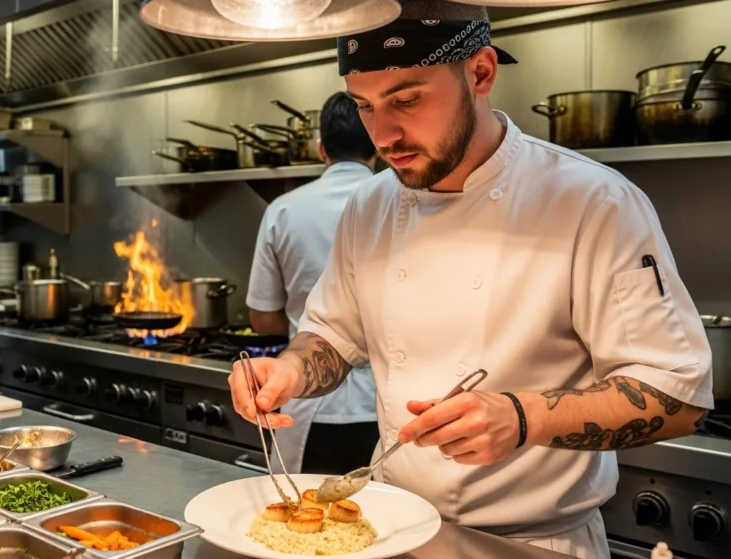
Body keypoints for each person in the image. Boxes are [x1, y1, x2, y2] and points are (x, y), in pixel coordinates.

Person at [228, 2, 713, 557]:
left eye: (407, 100)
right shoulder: (370, 205)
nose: (383, 136)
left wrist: (522, 418)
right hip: (394, 533)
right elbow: (335, 336)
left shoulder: (594, 202)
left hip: (537, 543)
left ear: (480, 73)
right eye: (365, 107)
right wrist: (290, 369)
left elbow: (678, 395)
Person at [246, 91, 379, 475]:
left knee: (300, 520)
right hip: (385, 408)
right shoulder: (401, 203)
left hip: (308, 402)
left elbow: (262, 319)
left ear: (321, 149)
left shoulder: (284, 210)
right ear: (378, 144)